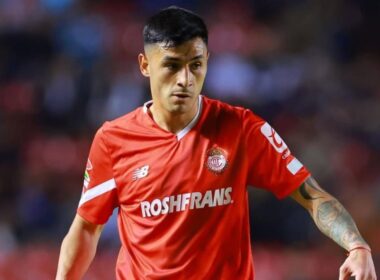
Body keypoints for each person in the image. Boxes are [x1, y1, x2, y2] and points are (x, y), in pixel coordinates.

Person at [56, 6, 377, 280]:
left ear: (207, 60)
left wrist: (356, 245)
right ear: (144, 65)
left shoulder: (241, 128)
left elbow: (312, 196)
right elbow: (86, 228)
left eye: (195, 64)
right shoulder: (114, 140)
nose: (185, 79)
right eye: (171, 65)